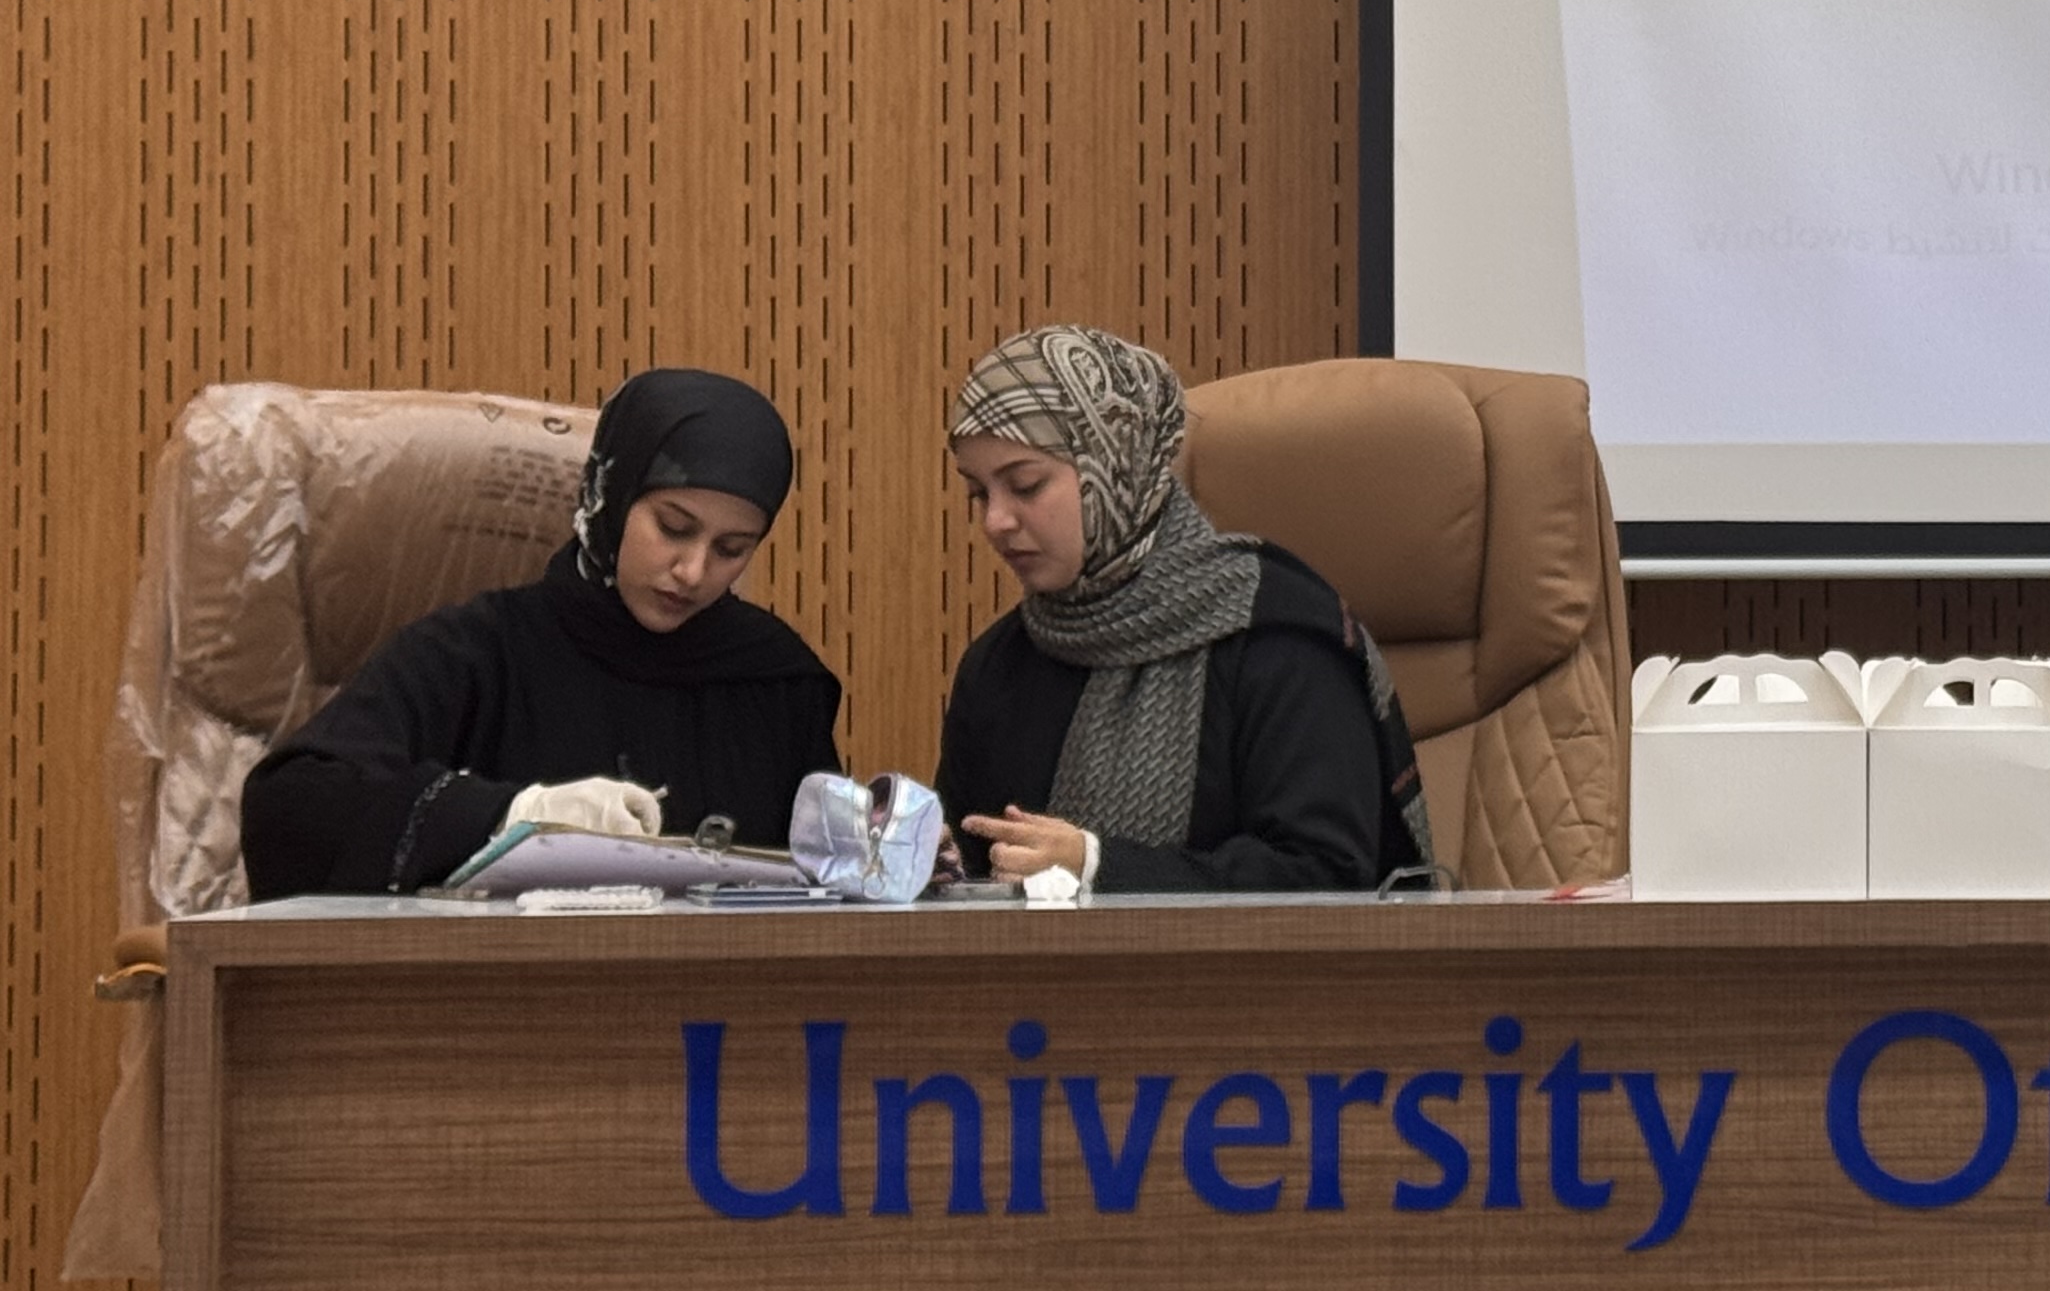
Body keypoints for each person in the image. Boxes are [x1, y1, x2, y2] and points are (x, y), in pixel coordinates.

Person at [240, 370, 845, 895]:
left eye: (731, 549)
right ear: (610, 498)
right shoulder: (475, 654)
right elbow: (290, 806)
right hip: (496, 986)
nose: (692, 571)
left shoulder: (775, 680)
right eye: (673, 527)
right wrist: (511, 817)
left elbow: (829, 884)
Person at [936, 325, 1432, 894]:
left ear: (1117, 465)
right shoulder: (1000, 663)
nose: (995, 521)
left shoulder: (1276, 638)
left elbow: (1327, 877)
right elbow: (975, 868)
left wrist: (1097, 868)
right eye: (979, 493)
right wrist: (928, 867)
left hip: (1271, 958)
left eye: (1025, 485)